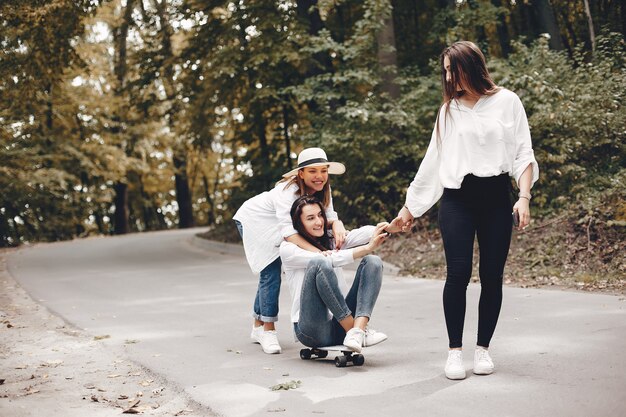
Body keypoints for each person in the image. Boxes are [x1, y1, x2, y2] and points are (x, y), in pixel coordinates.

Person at [395, 41, 539, 379]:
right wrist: (409, 208)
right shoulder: (448, 111)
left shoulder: (508, 102)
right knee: (457, 274)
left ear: (470, 67)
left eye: (451, 68)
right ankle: (454, 353)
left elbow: (524, 153)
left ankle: (483, 350)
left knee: (492, 276)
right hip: (457, 198)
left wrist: (524, 196)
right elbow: (433, 163)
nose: (447, 76)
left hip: (496, 199)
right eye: (444, 70)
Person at [233, 148, 348, 354]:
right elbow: (289, 234)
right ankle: (267, 331)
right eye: (312, 171)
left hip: (279, 225)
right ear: (301, 174)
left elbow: (328, 217)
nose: (319, 176)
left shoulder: (324, 190)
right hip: (255, 221)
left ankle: (258, 326)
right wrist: (319, 254)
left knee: (272, 269)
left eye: (323, 170)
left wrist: (337, 223)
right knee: (270, 271)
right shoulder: (287, 192)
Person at [280, 195, 401, 352]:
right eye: (310, 218)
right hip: (312, 331)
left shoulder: (330, 239)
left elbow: (361, 233)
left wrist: (387, 229)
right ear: (299, 224)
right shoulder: (288, 249)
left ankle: (357, 331)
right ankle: (356, 331)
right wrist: (366, 248)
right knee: (320, 263)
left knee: (373, 261)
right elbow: (328, 259)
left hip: (339, 327)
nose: (318, 222)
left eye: (320, 215)